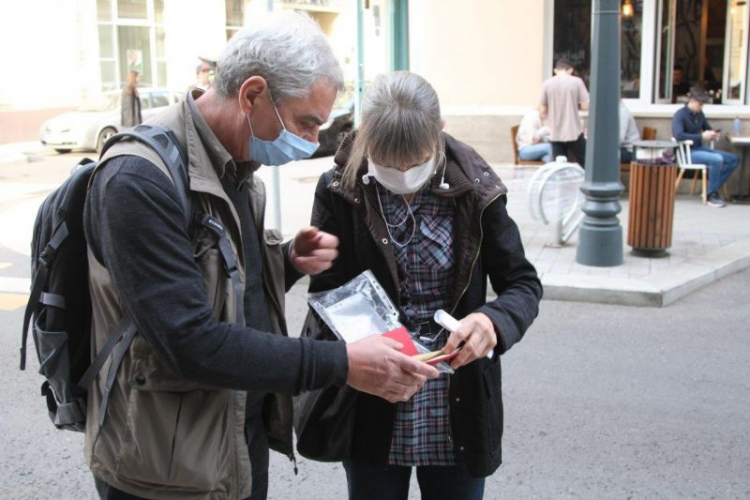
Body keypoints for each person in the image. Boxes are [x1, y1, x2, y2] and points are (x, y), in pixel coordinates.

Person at [83, 14, 438, 500]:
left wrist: (286, 260)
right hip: (163, 465)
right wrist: (342, 362)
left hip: (231, 438)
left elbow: (222, 277)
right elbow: (189, 341)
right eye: (305, 122)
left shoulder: (233, 160)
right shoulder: (138, 180)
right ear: (252, 95)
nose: (314, 142)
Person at [303, 72, 543, 500]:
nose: (401, 174)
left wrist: (493, 322)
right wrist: (363, 350)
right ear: (363, 139)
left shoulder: (478, 191)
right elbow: (327, 289)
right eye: (386, 161)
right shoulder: (339, 188)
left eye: (414, 162)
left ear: (439, 133)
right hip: (375, 390)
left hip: (458, 399)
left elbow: (522, 284)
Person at [672, 88, 739, 208]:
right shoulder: (680, 115)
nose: (701, 107)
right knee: (717, 159)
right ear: (692, 100)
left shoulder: (699, 114)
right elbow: (678, 135)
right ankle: (711, 195)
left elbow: (707, 127)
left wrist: (713, 133)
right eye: (700, 104)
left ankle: (711, 188)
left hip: (700, 149)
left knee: (734, 159)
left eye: (703, 104)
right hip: (688, 153)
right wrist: (701, 135)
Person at [539, 59, 590, 167]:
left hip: (555, 132)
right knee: (586, 163)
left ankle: (559, 184)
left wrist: (547, 122)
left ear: (555, 70)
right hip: (573, 131)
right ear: (570, 70)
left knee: (558, 166)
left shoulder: (547, 84)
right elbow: (586, 105)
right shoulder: (577, 82)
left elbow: (543, 110)